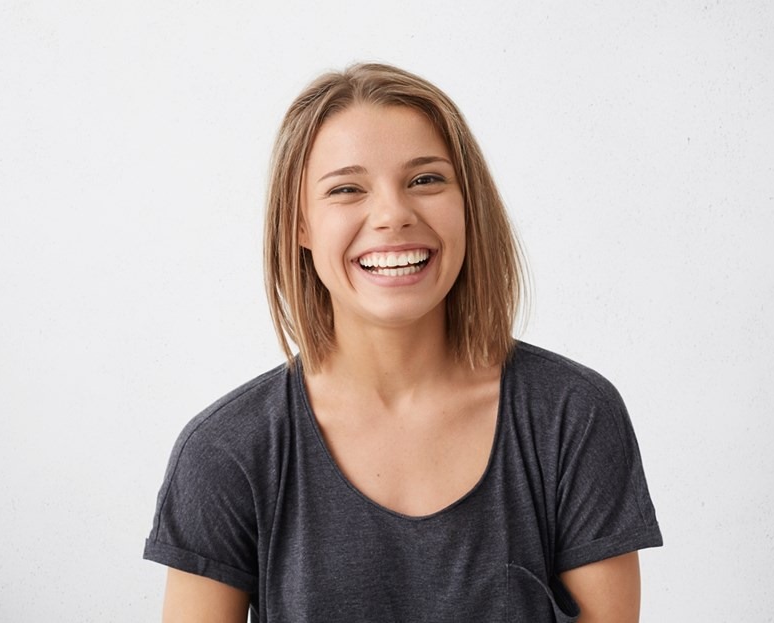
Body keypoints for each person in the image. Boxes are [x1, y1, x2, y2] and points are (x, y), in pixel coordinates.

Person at [144, 62, 662, 623]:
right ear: (299, 225)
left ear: (470, 204)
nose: (393, 215)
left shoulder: (572, 415)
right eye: (346, 189)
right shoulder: (225, 452)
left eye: (425, 180)